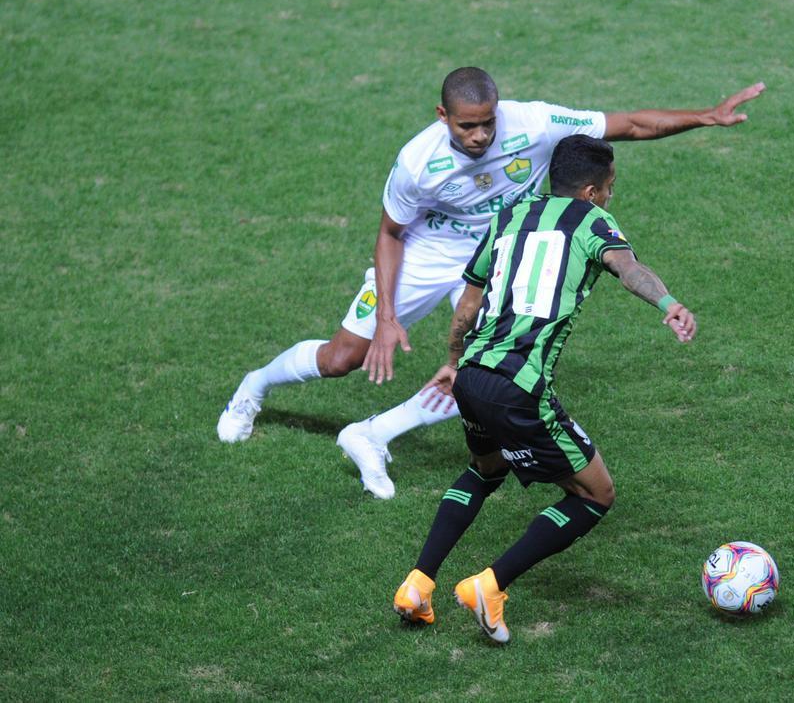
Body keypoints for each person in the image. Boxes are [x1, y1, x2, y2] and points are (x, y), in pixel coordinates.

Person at [217, 67, 759, 498]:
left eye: (487, 124)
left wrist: (706, 117)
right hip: (426, 252)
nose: (479, 136)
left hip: (499, 250)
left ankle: (371, 435)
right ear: (442, 116)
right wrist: (385, 318)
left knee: (483, 370)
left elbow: (631, 125)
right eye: (466, 126)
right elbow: (389, 232)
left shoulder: (535, 122)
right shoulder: (416, 162)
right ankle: (254, 387)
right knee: (342, 359)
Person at [392, 135, 695, 643]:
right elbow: (628, 269)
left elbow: (466, 310)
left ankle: (417, 585)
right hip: (519, 388)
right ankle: (490, 584)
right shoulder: (593, 221)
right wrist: (668, 304)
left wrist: (450, 364)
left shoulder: (508, 216)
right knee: (595, 494)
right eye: (611, 189)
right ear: (592, 191)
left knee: (486, 470)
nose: (610, 199)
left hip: (470, 376)